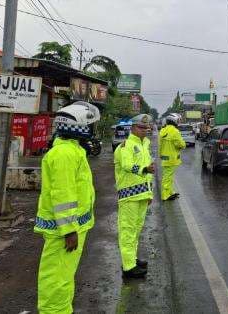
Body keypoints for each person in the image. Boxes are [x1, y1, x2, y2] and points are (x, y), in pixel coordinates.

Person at [35, 101, 100, 314]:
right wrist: (69, 230)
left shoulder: (72, 150)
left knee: (63, 277)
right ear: (79, 126)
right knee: (56, 282)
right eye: (91, 125)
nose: (93, 129)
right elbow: (63, 195)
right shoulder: (64, 154)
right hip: (64, 232)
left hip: (69, 229)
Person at [114, 114, 155, 278]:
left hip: (142, 195)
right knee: (128, 231)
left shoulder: (145, 144)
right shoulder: (126, 145)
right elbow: (127, 165)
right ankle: (128, 267)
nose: (144, 130)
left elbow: (149, 173)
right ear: (132, 128)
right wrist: (144, 169)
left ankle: (132, 259)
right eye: (141, 127)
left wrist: (149, 193)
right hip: (129, 196)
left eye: (146, 128)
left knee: (136, 231)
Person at [158, 113, 186, 201]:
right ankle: (165, 195)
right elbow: (181, 144)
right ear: (174, 121)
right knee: (167, 177)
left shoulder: (163, 130)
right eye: (178, 120)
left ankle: (170, 192)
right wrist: (183, 144)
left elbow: (160, 145)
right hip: (171, 158)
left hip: (165, 158)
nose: (179, 122)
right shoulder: (175, 131)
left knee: (168, 176)